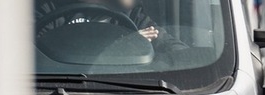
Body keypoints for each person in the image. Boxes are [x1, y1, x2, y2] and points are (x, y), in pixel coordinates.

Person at [34, 0, 188, 53]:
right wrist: (121, 46)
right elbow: (33, 51)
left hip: (129, 89)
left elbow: (166, 43)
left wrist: (192, 59)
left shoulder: (131, 13)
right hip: (59, 87)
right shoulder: (49, 9)